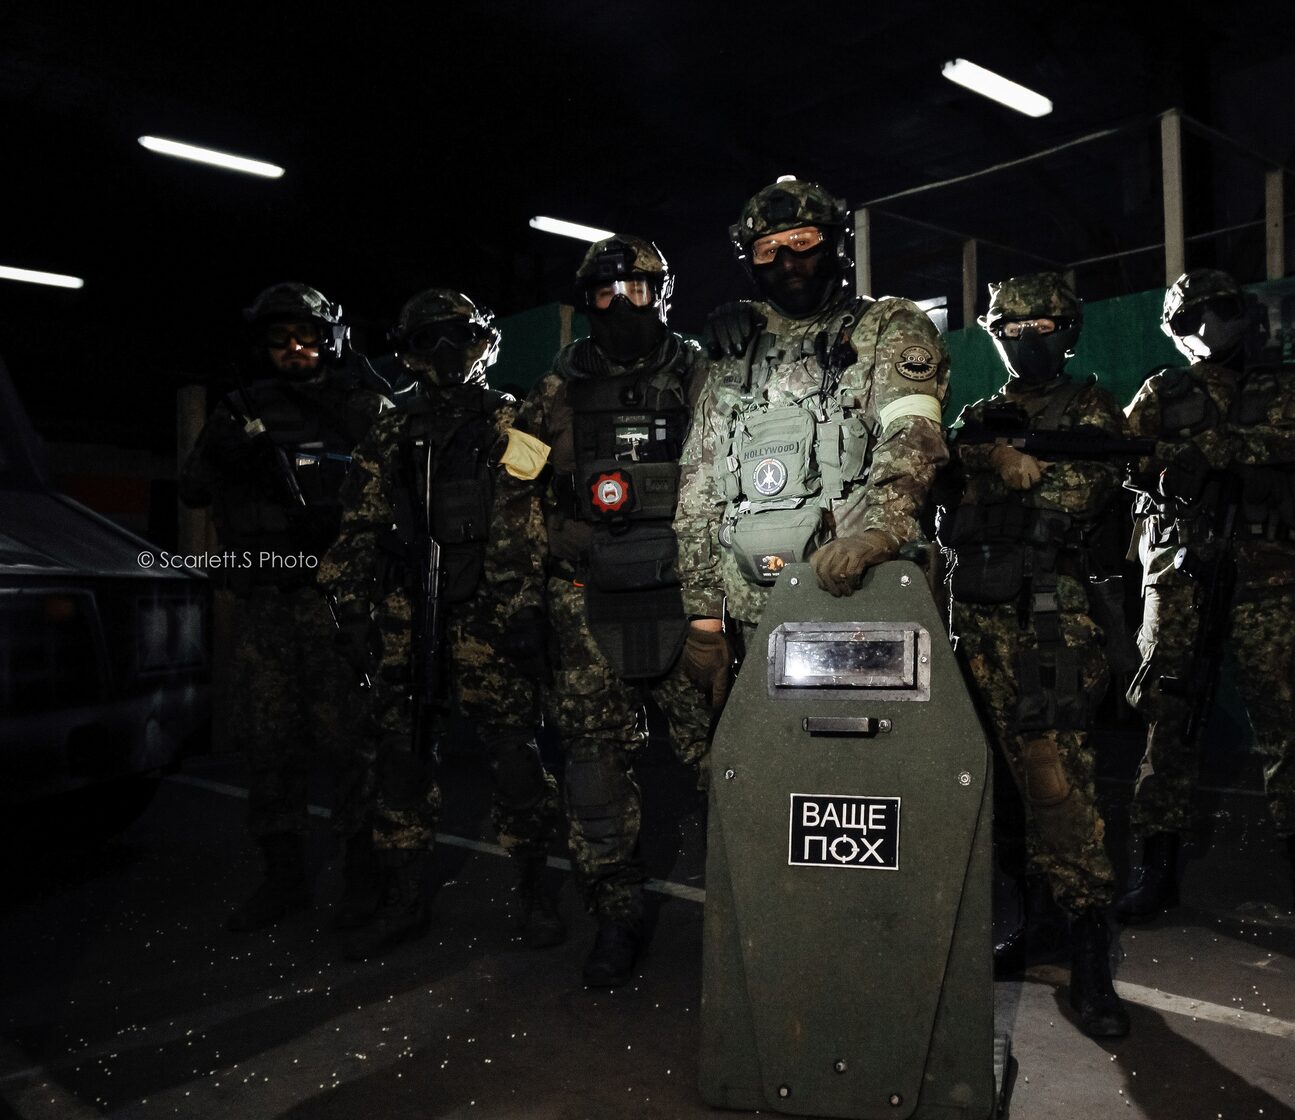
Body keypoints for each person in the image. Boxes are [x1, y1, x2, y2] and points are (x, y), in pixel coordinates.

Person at [320, 289, 560, 959]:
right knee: (403, 758)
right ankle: (404, 894)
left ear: (484, 342)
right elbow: (358, 526)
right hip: (408, 611)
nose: (447, 352)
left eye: (459, 335)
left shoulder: (515, 421)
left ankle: (535, 887)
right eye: (429, 340)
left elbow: (533, 522)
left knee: (515, 757)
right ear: (407, 352)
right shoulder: (390, 432)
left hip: (492, 609)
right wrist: (352, 609)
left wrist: (526, 608)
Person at [1116, 269, 1295, 933]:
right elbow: (1127, 460)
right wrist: (1168, 470)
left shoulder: (1285, 387)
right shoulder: (1161, 392)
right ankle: (1155, 869)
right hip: (1182, 579)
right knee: (1169, 724)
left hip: (1267, 577)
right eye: (1187, 317)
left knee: (1288, 725)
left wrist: (1213, 451)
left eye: (1215, 309)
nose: (1203, 327)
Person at [513, 235, 713, 987]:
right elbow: (516, 495)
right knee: (593, 767)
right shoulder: (554, 389)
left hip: (688, 595)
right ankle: (615, 916)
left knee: (724, 758)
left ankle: (753, 906)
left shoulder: (701, 375)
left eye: (637, 290)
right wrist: (521, 598)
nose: (622, 304)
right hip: (583, 595)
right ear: (587, 301)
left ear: (662, 295)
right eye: (606, 292)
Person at [940, 272, 1131, 1038]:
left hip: (1053, 620)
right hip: (977, 621)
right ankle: (1034, 924)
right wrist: (993, 459)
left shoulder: (1092, 411)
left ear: (1068, 330)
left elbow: (1075, 496)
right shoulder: (980, 417)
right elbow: (941, 475)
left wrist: (1008, 475)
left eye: (1042, 326)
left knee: (1057, 783)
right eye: (1011, 330)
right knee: (1000, 790)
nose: (1027, 340)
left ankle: (1089, 950)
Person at [673, 176, 950, 687]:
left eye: (802, 242)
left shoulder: (889, 325)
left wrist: (881, 533)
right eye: (768, 249)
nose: (786, 262)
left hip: (862, 591)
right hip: (756, 610)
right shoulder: (734, 346)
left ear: (834, 243)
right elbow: (700, 484)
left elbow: (913, 435)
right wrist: (704, 617)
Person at [180, 282, 391, 933]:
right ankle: (283, 878)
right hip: (267, 603)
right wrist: (227, 456)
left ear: (331, 339)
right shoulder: (241, 410)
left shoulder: (362, 406)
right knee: (268, 742)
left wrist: (343, 520)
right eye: (279, 339)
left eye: (306, 336)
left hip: (338, 601)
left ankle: (363, 873)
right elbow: (191, 489)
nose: (293, 348)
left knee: (353, 742)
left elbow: (405, 490)